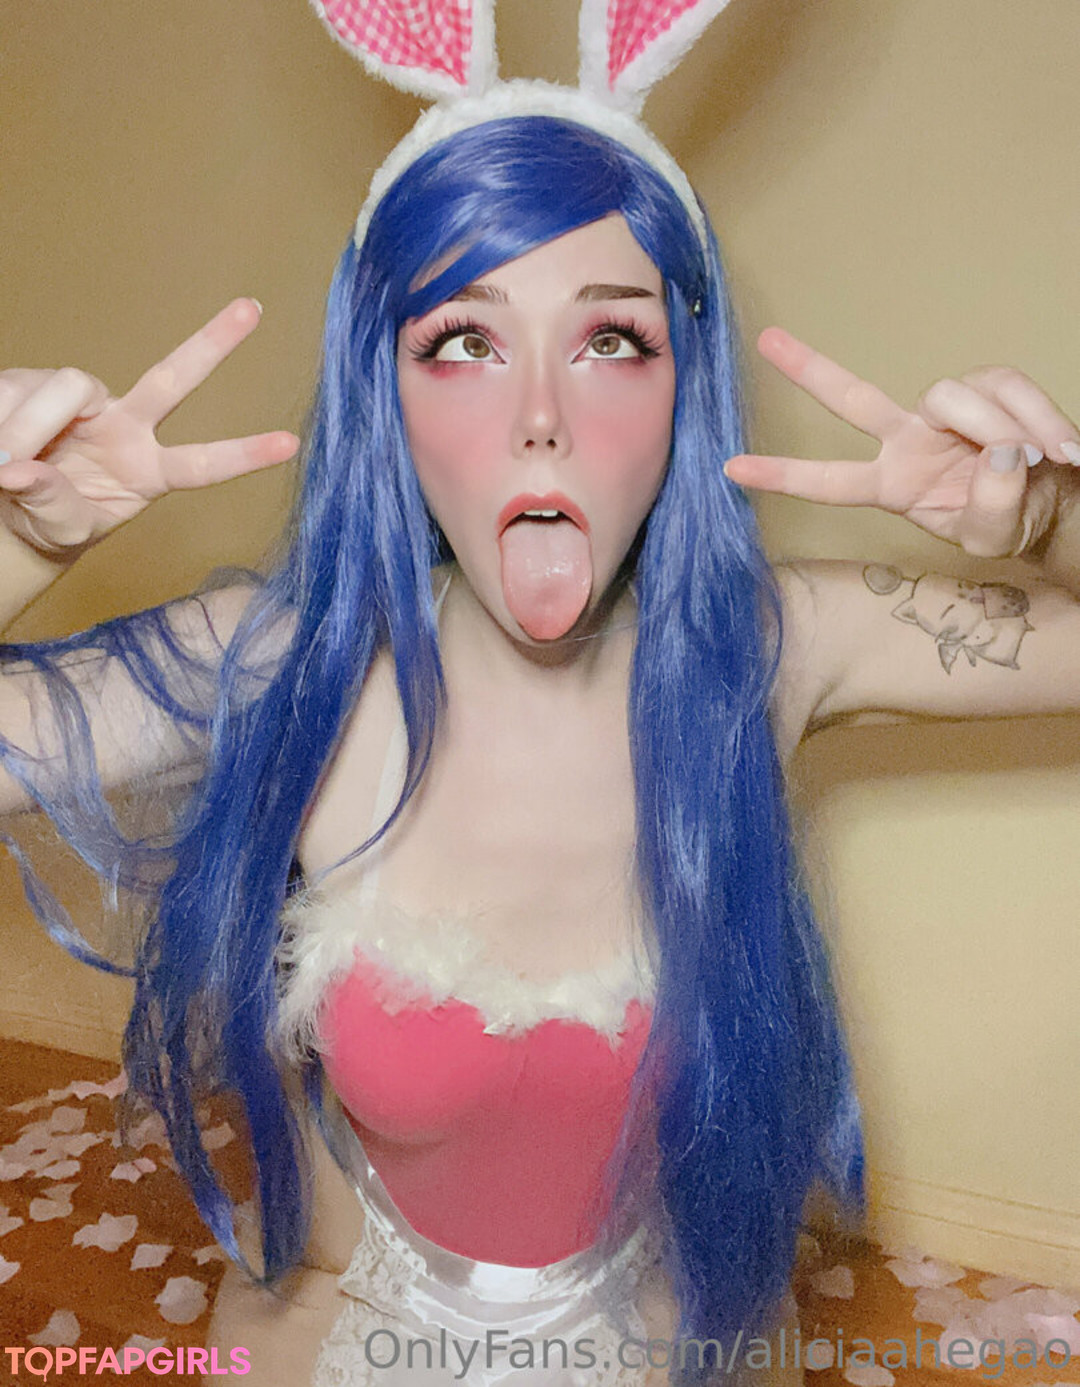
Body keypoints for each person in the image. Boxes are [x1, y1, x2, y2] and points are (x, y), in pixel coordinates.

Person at [2, 19, 1079, 1387]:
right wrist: (18, 547)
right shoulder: (290, 659)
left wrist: (1050, 521)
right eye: (462, 341)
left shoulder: (767, 646)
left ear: (686, 386)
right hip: (351, 1336)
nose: (540, 416)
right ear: (383, 394)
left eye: (612, 339)